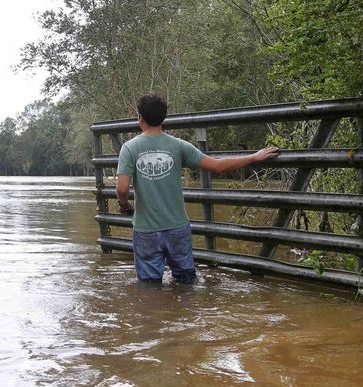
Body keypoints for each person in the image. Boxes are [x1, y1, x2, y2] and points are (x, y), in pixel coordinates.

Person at [116, 94, 279, 284]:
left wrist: (124, 204)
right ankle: (187, 313)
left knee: (149, 286)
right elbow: (218, 166)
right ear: (163, 118)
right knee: (186, 283)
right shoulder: (179, 146)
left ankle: (156, 314)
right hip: (177, 227)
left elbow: (122, 189)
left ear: (140, 118)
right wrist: (253, 157)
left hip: (146, 230)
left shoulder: (129, 148)